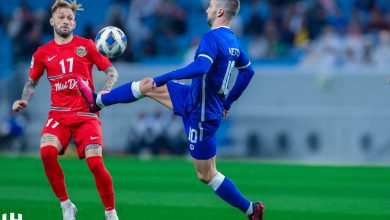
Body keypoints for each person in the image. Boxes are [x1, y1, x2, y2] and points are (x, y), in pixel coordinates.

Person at [78, 0, 264, 219]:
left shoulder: (211, 38)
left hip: (202, 115)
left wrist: (168, 76)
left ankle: (252, 209)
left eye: (211, 5)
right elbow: (248, 71)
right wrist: (228, 102)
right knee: (148, 85)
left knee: (206, 174)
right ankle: (97, 101)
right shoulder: (232, 40)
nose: (207, 9)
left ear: (220, 11)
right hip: (193, 98)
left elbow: (202, 67)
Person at [12, 1, 119, 219]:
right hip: (59, 114)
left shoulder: (87, 45)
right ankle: (66, 204)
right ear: (52, 21)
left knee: (95, 163)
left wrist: (105, 92)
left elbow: (112, 72)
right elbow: (32, 83)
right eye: (61, 17)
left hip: (86, 114)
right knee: (46, 152)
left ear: (74, 23)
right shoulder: (43, 52)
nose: (65, 21)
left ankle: (110, 211)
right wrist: (24, 100)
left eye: (69, 18)